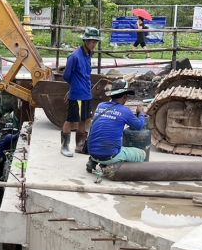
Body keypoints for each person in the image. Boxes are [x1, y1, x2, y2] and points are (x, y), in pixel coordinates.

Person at [85, 80, 147, 173]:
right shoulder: (125, 111)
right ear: (125, 96)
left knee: (104, 138)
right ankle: (110, 165)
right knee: (142, 154)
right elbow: (139, 126)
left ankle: (93, 160)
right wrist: (141, 113)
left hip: (92, 152)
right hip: (110, 156)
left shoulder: (100, 106)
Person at [60, 27, 100, 157]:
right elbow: (66, 76)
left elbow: (86, 75)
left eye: (95, 42)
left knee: (85, 119)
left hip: (86, 94)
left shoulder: (88, 55)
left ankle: (80, 145)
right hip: (77, 95)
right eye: (91, 41)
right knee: (71, 120)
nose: (93, 44)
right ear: (85, 41)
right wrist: (73, 88)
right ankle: (64, 146)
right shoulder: (74, 56)